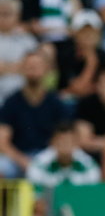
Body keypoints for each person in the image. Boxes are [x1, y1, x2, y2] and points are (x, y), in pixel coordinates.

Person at [0, 50, 68, 178]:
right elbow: (3, 141)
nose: (33, 70)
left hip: (49, 158)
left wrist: (43, 161)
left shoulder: (56, 103)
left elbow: (64, 138)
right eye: (29, 66)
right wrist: (23, 161)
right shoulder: (11, 102)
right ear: (22, 70)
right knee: (2, 167)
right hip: (19, 158)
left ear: (46, 70)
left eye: (37, 66)